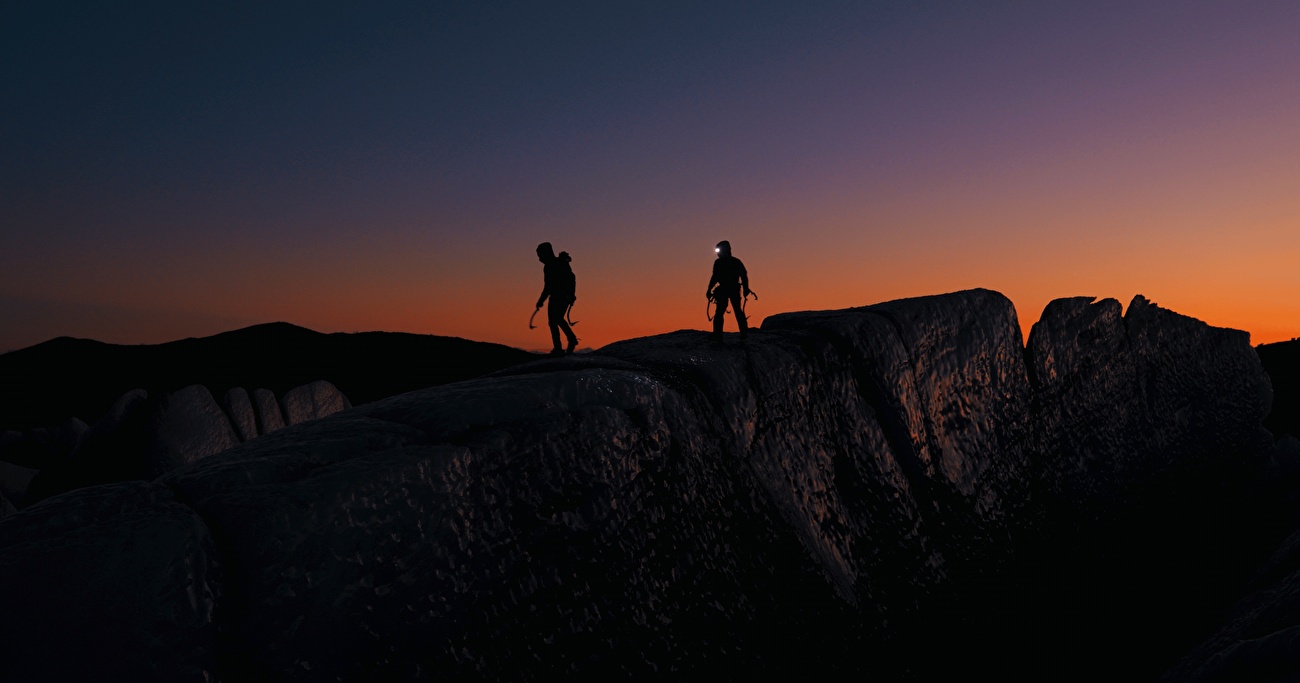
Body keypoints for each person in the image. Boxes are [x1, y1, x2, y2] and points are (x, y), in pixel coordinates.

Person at [535, 242, 578, 355]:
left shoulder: (552, 265)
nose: (539, 258)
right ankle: (566, 343)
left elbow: (548, 286)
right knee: (555, 320)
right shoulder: (555, 264)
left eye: (540, 255)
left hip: (560, 297)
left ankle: (562, 346)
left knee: (555, 320)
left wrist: (541, 300)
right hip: (559, 297)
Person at [706, 240, 753, 341]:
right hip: (724, 289)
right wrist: (709, 289)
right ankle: (718, 336)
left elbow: (744, 276)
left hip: (733, 288)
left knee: (736, 311)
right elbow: (714, 277)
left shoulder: (735, 262)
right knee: (720, 312)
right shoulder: (718, 263)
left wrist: (746, 288)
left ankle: (743, 334)